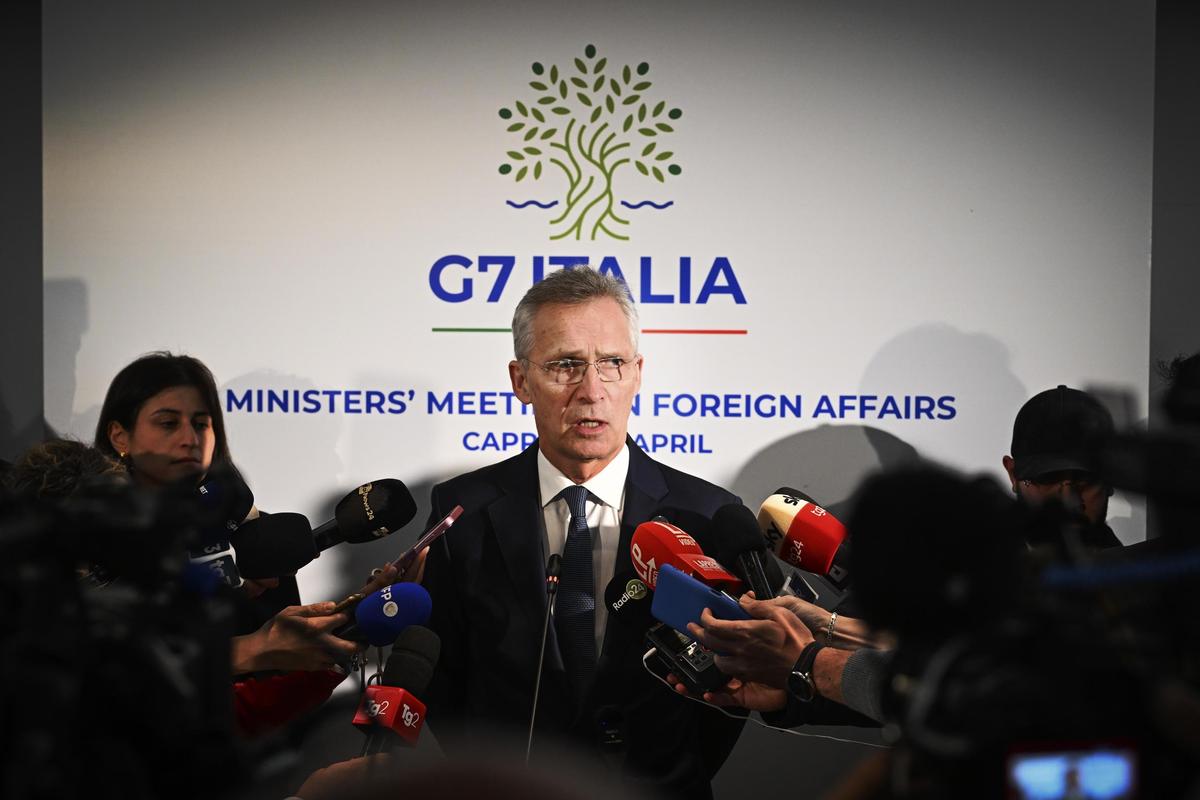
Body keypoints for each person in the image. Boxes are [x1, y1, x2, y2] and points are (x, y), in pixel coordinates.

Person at [421, 267, 744, 798]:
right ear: (520, 381)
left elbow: (725, 690)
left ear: (638, 374)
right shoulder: (462, 510)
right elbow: (444, 674)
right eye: (565, 365)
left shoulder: (707, 515)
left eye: (612, 363)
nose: (591, 390)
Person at [1001, 384, 1121, 549]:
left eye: (1085, 479)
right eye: (1047, 479)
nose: (1068, 500)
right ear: (1013, 474)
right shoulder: (972, 572)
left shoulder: (1149, 572)